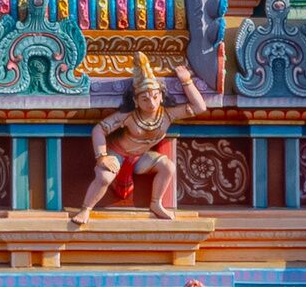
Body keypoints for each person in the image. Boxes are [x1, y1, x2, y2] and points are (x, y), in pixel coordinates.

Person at [73, 54, 214, 223]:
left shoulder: (167, 114)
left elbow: (199, 107)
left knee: (168, 166)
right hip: (118, 154)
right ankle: (85, 209)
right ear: (136, 101)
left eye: (155, 97)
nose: (151, 103)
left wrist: (186, 81)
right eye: (145, 99)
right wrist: (101, 156)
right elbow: (99, 129)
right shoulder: (129, 116)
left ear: (161, 96)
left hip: (140, 159)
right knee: (104, 177)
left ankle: (156, 203)